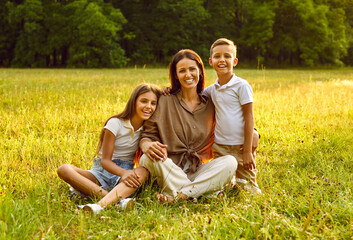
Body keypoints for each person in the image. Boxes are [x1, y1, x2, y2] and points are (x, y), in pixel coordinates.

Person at [139, 49, 239, 203]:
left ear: (200, 70)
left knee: (230, 162)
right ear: (176, 75)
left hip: (197, 170)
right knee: (147, 158)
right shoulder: (164, 100)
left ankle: (180, 196)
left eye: (192, 69)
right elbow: (148, 134)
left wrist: (253, 132)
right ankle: (203, 192)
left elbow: (233, 119)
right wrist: (145, 144)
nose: (188, 75)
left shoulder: (210, 102)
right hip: (169, 167)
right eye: (182, 71)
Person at [57, 83, 161, 214]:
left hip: (124, 175)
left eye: (153, 103)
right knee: (64, 169)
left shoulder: (148, 130)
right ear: (133, 102)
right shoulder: (115, 123)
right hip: (101, 172)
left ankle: (98, 204)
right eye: (144, 101)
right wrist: (123, 173)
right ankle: (116, 201)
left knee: (143, 171)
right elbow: (105, 161)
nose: (148, 107)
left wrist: (125, 173)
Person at [205, 38, 261, 194]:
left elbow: (249, 117)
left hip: (241, 147)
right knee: (218, 189)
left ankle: (241, 182)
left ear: (235, 61)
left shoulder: (242, 86)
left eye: (227, 56)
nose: (222, 60)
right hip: (220, 148)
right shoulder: (211, 90)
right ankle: (226, 184)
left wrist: (248, 151)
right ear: (211, 61)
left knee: (250, 190)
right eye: (217, 56)